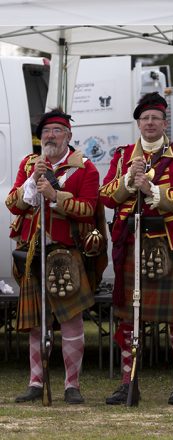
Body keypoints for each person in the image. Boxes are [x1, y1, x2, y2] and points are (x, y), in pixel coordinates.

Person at [100, 92, 173, 405]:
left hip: (171, 243)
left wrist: (152, 190)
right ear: (138, 123)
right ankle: (128, 381)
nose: (150, 123)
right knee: (129, 319)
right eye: (145, 118)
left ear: (165, 123)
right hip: (134, 243)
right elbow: (107, 196)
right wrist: (128, 181)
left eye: (156, 118)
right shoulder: (124, 155)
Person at [7, 109, 101, 404]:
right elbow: (13, 204)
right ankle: (36, 382)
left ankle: (71, 385)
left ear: (69, 136)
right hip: (33, 251)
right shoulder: (28, 164)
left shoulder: (85, 168)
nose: (50, 136)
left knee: (72, 320)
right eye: (46, 131)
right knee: (37, 322)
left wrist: (55, 197)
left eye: (57, 131)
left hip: (66, 252)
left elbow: (88, 208)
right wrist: (32, 184)